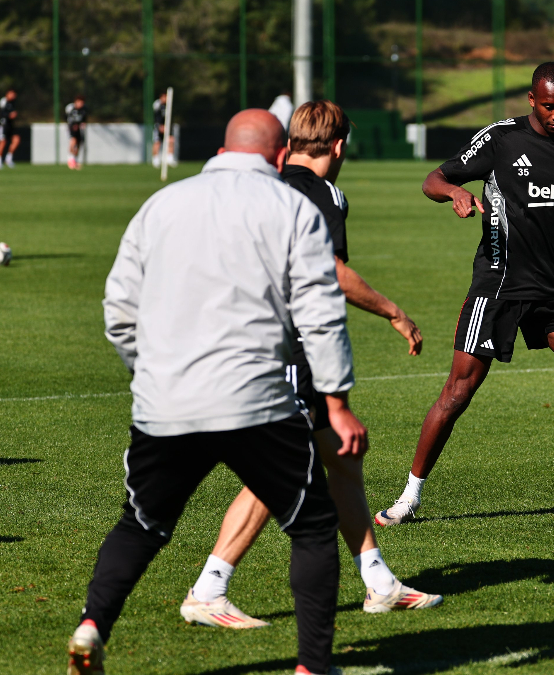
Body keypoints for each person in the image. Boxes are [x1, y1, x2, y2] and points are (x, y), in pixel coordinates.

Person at [68, 109, 363, 675]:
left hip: (166, 402)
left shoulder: (161, 205)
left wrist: (147, 373)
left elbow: (118, 312)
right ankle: (313, 666)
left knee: (141, 524)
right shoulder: (291, 206)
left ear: (221, 150)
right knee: (311, 526)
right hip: (255, 401)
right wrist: (338, 403)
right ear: (279, 157)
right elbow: (321, 315)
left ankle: (91, 626)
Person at [179, 99, 439, 628]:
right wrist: (394, 311)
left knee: (341, 459)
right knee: (279, 467)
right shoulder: (323, 193)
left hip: (240, 335)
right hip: (290, 349)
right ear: (339, 146)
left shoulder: (263, 182)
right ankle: (210, 587)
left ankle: (378, 582)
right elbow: (331, 271)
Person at [373, 62, 554, 532]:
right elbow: (432, 180)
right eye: (549, 105)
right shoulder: (501, 138)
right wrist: (455, 192)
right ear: (531, 99)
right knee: (457, 393)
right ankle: (408, 497)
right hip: (497, 288)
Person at [0, 88, 19, 170]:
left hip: (10, 126)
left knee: (16, 140)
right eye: (11, 93)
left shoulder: (13, 103)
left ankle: (8, 159)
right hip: (3, 125)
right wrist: (9, 115)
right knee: (2, 142)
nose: (13, 95)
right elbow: (2, 113)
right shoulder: (4, 101)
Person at [152, 91, 175, 167]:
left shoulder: (169, 105)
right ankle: (155, 159)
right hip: (159, 126)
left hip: (168, 126)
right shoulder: (157, 105)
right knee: (157, 142)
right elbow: (156, 117)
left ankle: (170, 158)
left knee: (171, 140)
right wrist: (160, 126)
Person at [66, 94, 88, 170]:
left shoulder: (83, 110)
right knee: (73, 142)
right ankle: (70, 159)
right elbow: (67, 118)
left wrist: (83, 124)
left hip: (79, 128)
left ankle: (75, 160)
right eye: (79, 102)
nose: (80, 104)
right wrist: (72, 125)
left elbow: (84, 119)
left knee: (78, 144)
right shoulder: (70, 108)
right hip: (72, 128)